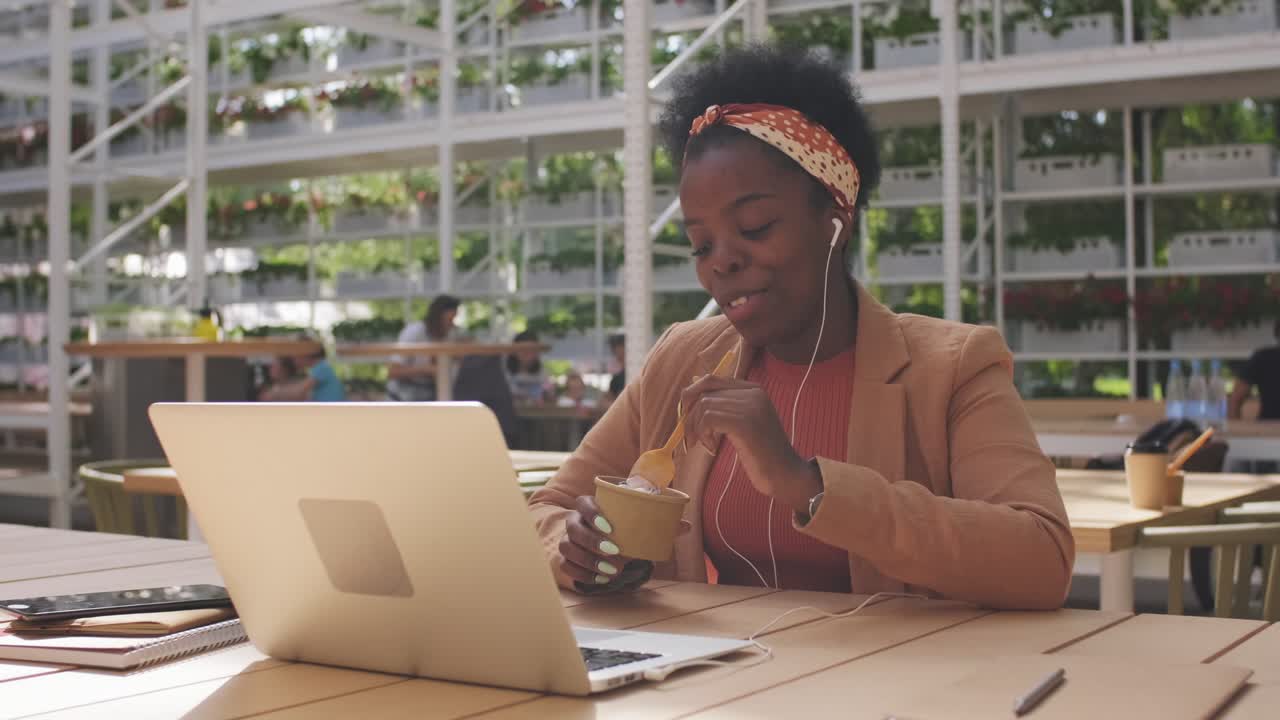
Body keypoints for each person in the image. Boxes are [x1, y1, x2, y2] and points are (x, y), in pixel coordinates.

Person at [527, 45, 1074, 610]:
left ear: (835, 221)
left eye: (755, 227)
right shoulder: (680, 363)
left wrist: (808, 485)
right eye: (701, 243)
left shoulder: (954, 367)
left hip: (894, 687)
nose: (722, 261)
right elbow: (544, 511)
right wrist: (577, 549)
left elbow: (1042, 558)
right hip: (718, 684)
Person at [386, 295, 462, 402]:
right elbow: (393, 371)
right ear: (437, 317)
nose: (452, 325)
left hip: (432, 395)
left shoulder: (450, 335)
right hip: (403, 396)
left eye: (453, 319)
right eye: (449, 320)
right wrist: (428, 370)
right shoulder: (414, 332)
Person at [259, 341, 346, 402]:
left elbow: (298, 392)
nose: (294, 358)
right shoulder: (318, 368)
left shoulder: (322, 367)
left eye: (296, 353)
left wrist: (274, 392)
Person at [1229, 318, 1280, 421]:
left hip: (1267, 429)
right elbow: (1236, 399)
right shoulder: (1263, 358)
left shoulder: (1263, 357)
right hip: (1268, 430)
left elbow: (1236, 398)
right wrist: (1237, 432)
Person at [507, 330, 549, 406]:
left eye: (532, 350)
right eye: (523, 349)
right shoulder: (503, 370)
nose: (527, 353)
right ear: (514, 350)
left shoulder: (542, 371)